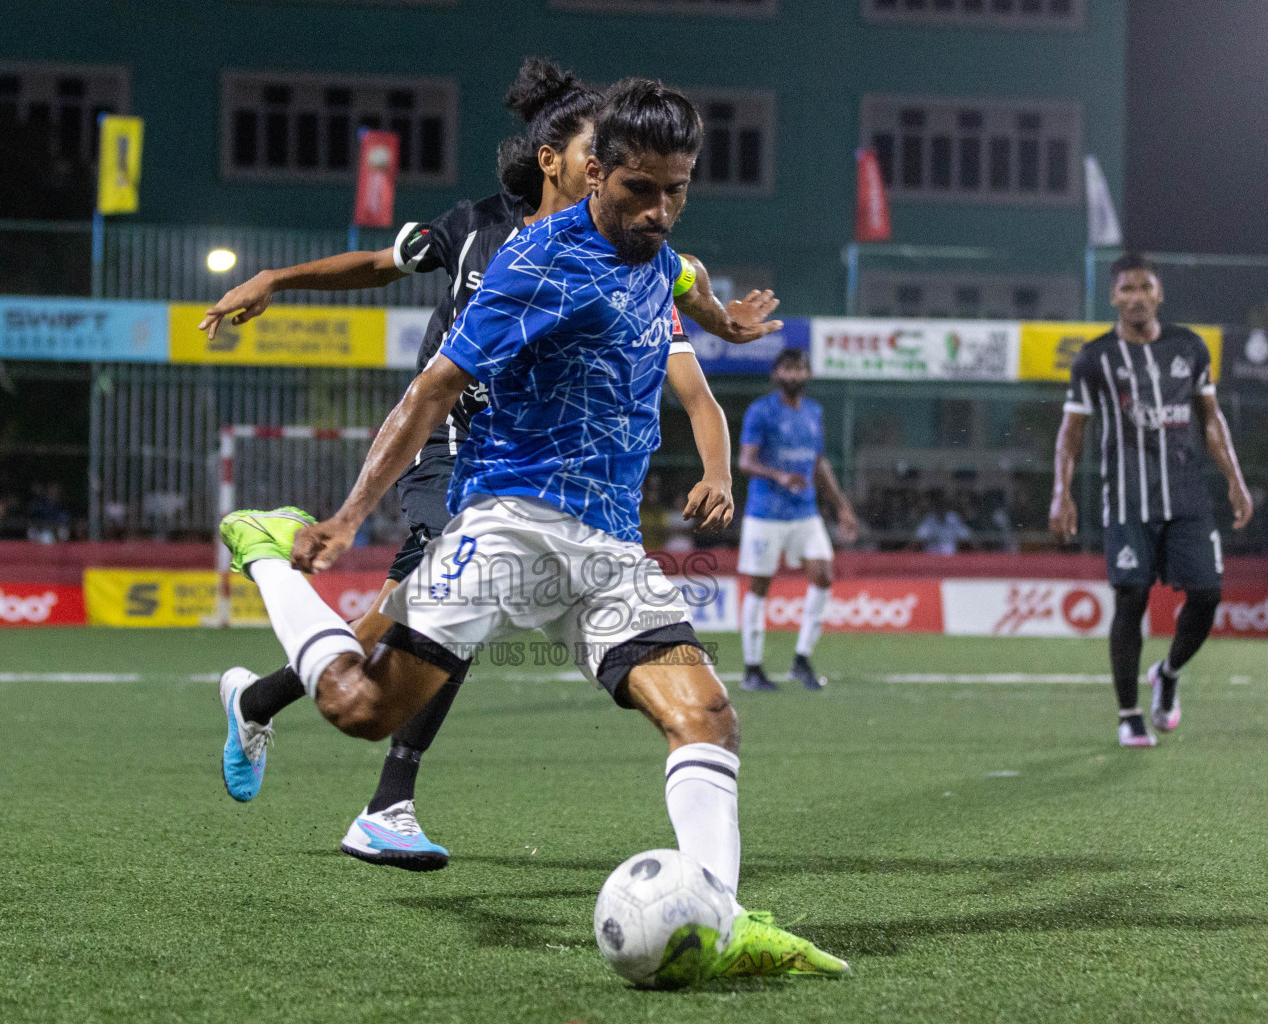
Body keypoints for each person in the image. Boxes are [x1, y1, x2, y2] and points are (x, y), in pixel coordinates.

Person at [214, 78, 849, 979]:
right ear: (596, 172)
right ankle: (270, 556)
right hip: (508, 522)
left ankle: (721, 917)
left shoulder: (659, 253)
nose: (661, 211)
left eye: (678, 190)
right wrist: (349, 515)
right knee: (357, 707)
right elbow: (432, 389)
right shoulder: (535, 265)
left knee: (707, 718)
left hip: (608, 547)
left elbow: (688, 282)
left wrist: (729, 321)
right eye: (641, 191)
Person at [1049, 253, 1253, 748]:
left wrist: (1235, 478)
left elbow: (1211, 418)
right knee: (1131, 598)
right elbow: (1071, 431)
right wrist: (1062, 490)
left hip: (1187, 498)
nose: (1136, 297)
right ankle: (1129, 713)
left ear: (1159, 293)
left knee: (1207, 596)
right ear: (1113, 297)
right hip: (1126, 501)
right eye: (1126, 289)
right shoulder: (1093, 358)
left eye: (1145, 287)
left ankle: (1169, 671)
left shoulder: (1189, 347)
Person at [735, 348, 858, 692]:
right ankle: (752, 668)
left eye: (800, 369)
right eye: (788, 369)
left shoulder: (814, 413)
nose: (794, 375)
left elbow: (819, 463)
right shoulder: (761, 411)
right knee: (759, 587)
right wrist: (779, 475)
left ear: (808, 375)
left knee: (823, 576)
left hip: (805, 512)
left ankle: (801, 660)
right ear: (776, 374)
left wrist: (842, 506)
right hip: (766, 513)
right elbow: (746, 461)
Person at [914, 490, 971, 555]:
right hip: (932, 554)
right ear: (935, 507)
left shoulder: (954, 518)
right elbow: (919, 538)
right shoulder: (929, 519)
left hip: (950, 554)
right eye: (938, 506)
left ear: (946, 506)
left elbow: (967, 537)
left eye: (943, 506)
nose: (941, 508)